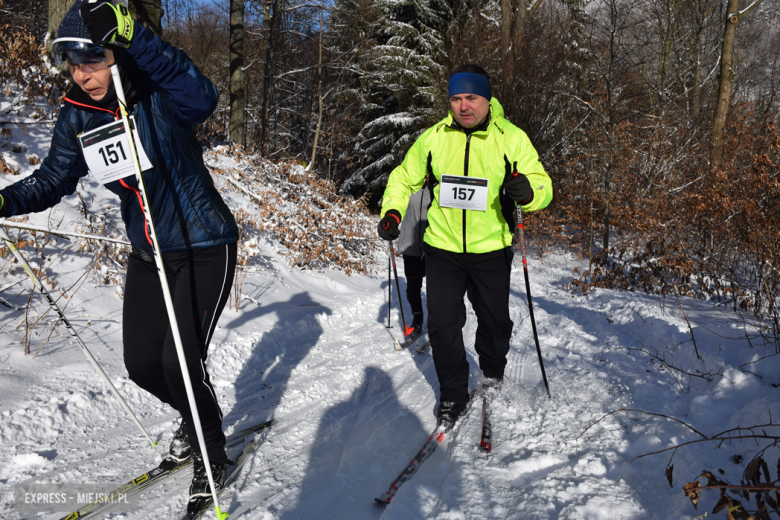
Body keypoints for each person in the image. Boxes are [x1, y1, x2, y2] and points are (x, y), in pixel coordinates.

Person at [0, 0, 237, 497]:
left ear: (115, 55)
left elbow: (204, 98)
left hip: (204, 245)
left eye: (94, 61)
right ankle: (192, 421)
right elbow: (52, 179)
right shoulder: (78, 116)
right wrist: (5, 200)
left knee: (181, 364)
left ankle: (212, 456)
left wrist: (137, 39)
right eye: (75, 64)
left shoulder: (158, 93)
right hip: (149, 253)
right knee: (143, 365)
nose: (83, 76)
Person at [377, 64, 552, 429]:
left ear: (487, 99)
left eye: (471, 98)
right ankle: (453, 393)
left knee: (494, 322)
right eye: (456, 99)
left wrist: (530, 192)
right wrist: (392, 212)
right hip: (442, 248)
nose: (463, 106)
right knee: (443, 324)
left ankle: (491, 369)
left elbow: (540, 181)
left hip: (491, 248)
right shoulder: (434, 138)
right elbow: (402, 178)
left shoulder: (511, 138)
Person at [396, 183, 431, 335]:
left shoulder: (438, 186)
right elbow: (394, 203)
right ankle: (417, 319)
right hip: (410, 244)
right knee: (412, 289)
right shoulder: (407, 185)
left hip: (433, 246)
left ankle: (437, 322)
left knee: (437, 290)